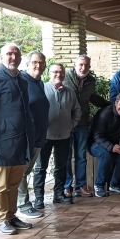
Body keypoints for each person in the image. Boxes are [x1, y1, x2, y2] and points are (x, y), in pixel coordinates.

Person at [0, 43, 36, 235]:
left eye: (16, 54)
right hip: (1, 142)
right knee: (1, 185)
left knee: (14, 183)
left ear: (20, 58)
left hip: (20, 141)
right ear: (1, 58)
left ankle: (11, 216)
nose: (13, 57)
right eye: (9, 54)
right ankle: (2, 219)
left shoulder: (21, 80)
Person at [34, 63, 81, 207]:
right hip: (45, 137)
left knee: (61, 167)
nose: (58, 75)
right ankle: (39, 198)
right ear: (49, 73)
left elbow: (77, 110)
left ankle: (59, 195)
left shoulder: (70, 92)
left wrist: (71, 125)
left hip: (64, 136)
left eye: (61, 72)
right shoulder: (42, 89)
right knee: (41, 167)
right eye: (55, 72)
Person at [64, 55, 108, 198]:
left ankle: (80, 186)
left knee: (81, 156)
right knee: (66, 156)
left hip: (82, 123)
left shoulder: (91, 81)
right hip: (67, 124)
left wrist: (109, 105)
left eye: (86, 65)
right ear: (75, 65)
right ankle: (67, 186)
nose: (83, 68)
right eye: (81, 65)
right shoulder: (66, 77)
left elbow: (93, 97)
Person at [17, 51, 50, 219]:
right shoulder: (21, 82)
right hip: (26, 137)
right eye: (35, 62)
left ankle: (18, 203)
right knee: (21, 171)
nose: (39, 66)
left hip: (39, 137)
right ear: (27, 64)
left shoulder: (39, 83)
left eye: (42, 63)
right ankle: (23, 205)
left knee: (26, 171)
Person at [90, 92, 120, 197]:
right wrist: (111, 147)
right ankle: (99, 185)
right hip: (96, 144)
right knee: (106, 155)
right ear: (116, 103)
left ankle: (114, 184)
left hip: (114, 145)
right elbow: (97, 136)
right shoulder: (105, 114)